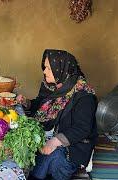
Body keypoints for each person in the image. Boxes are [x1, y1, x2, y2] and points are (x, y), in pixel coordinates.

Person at [17, 49, 97, 180]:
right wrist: (27, 103)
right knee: (22, 145)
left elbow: (83, 128)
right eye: (45, 67)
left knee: (53, 159)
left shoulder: (84, 95)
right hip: (49, 135)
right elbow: (41, 105)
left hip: (71, 145)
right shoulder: (52, 86)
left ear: (61, 69)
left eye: (48, 68)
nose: (44, 71)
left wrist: (54, 142)